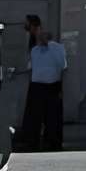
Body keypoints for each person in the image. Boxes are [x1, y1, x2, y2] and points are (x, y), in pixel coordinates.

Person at [21, 15, 68, 153]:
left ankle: (53, 142)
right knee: (34, 116)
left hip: (52, 85)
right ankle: (32, 142)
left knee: (52, 116)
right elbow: (31, 67)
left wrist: (61, 87)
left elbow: (62, 66)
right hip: (37, 85)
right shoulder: (34, 50)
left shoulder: (57, 48)